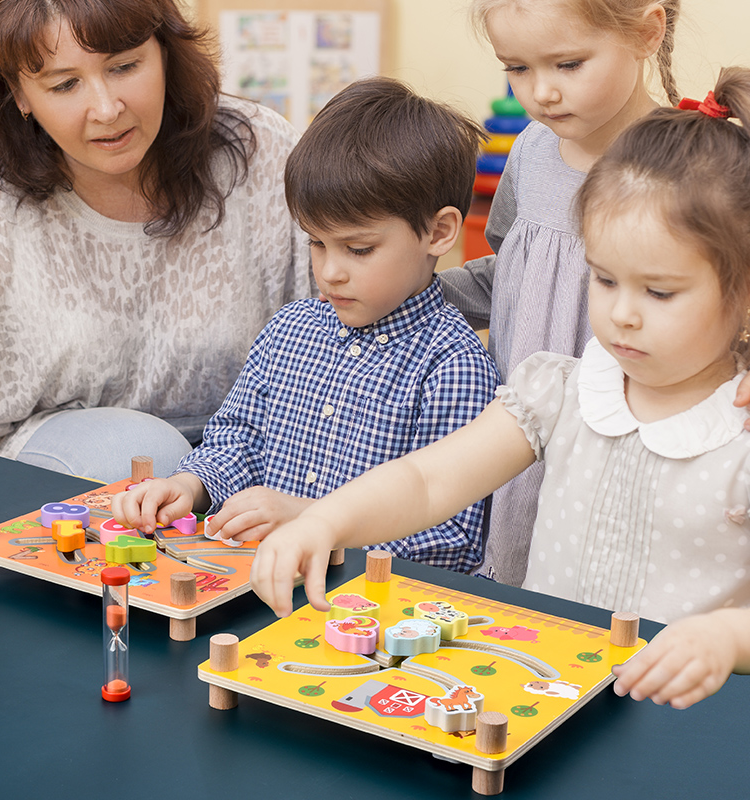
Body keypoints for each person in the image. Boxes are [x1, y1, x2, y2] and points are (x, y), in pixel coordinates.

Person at [249, 68, 750, 710]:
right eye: (603, 279)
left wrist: (726, 638)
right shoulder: (559, 390)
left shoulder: (737, 433)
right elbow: (429, 481)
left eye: (659, 291)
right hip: (548, 699)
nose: (622, 314)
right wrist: (325, 519)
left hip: (689, 725)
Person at [112, 77, 500, 572]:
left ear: (439, 232)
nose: (330, 271)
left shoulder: (454, 365)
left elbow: (453, 537)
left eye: (358, 249)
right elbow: (238, 441)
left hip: (360, 603)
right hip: (256, 581)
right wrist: (189, 486)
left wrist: (321, 523)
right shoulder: (290, 329)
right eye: (317, 242)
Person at [0, 0, 312, 483]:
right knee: (143, 459)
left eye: (124, 67)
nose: (106, 109)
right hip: (41, 463)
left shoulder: (261, 150)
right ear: (19, 93)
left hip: (244, 453)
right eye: (65, 85)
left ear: (165, 53)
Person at [439, 0, 683, 586]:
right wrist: (407, 291)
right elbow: (509, 276)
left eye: (568, 64)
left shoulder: (691, 166)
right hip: (518, 436)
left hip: (626, 445)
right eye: (517, 68)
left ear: (647, 32)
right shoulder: (529, 151)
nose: (541, 93)